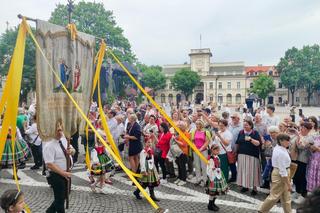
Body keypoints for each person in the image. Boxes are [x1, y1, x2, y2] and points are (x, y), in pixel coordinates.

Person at [43, 120, 74, 213]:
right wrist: (63, 173)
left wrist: (72, 151)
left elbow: (73, 149)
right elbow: (49, 164)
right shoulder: (48, 145)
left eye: (61, 130)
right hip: (56, 175)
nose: (60, 132)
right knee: (60, 199)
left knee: (65, 195)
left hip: (66, 173)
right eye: (58, 130)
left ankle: (49, 212)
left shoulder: (64, 139)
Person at [259, 133, 292, 213]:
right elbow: (282, 171)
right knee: (274, 195)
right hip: (281, 174)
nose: (289, 142)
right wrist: (288, 184)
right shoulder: (280, 152)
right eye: (287, 141)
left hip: (281, 172)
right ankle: (262, 211)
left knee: (286, 196)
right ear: (281, 141)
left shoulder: (279, 148)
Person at [236, 120, 262, 195]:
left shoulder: (255, 133)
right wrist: (236, 153)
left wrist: (250, 139)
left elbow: (258, 143)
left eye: (247, 125)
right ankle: (245, 186)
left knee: (253, 172)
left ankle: (254, 188)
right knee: (243, 171)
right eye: (244, 125)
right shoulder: (241, 132)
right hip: (241, 155)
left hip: (252, 156)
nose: (245, 126)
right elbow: (237, 143)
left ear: (251, 126)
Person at [292, 122, 313, 204]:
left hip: (303, 160)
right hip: (295, 158)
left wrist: (298, 136)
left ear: (308, 130)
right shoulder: (300, 135)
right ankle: (297, 192)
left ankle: (304, 194)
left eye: (304, 128)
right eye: (301, 127)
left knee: (302, 177)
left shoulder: (310, 138)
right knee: (296, 176)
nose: (301, 129)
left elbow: (301, 146)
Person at [205, 144, 228, 211]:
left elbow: (218, 165)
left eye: (218, 150)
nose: (218, 152)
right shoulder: (211, 159)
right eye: (217, 150)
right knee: (212, 192)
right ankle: (210, 205)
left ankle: (213, 203)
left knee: (216, 192)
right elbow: (209, 169)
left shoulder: (217, 157)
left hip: (218, 175)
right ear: (212, 150)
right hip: (213, 177)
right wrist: (212, 169)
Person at [190, 120, 210, 186]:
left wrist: (201, 149)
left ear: (201, 124)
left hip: (203, 151)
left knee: (203, 166)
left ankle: (205, 180)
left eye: (198, 124)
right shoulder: (194, 131)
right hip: (196, 151)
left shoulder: (206, 132)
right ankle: (198, 179)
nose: (197, 125)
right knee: (197, 166)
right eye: (196, 124)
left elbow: (207, 142)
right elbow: (192, 141)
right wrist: (195, 148)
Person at [228, 113, 242, 182]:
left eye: (234, 118)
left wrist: (237, 149)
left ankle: (240, 177)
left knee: (239, 163)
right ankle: (234, 177)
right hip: (230, 148)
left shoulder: (241, 127)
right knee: (232, 163)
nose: (232, 119)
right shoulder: (230, 125)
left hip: (239, 148)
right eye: (232, 118)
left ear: (238, 119)